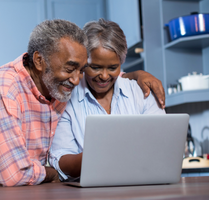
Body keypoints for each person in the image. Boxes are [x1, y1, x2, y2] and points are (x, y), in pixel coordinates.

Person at [0, 19, 165, 187]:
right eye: (71, 69)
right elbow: (14, 175)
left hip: (24, 190)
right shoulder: (4, 90)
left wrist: (136, 75)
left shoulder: (56, 87)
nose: (78, 79)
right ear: (40, 61)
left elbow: (106, 73)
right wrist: (52, 173)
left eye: (81, 69)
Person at [48, 19, 166, 181]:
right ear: (83, 62)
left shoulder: (142, 93)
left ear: (121, 63)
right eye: (95, 67)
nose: (104, 76)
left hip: (143, 184)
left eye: (112, 68)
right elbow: (60, 157)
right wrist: (94, 158)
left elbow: (163, 146)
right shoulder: (66, 99)